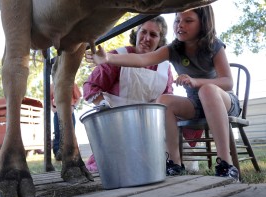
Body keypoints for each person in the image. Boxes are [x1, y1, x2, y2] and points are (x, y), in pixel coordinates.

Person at [85, 5, 241, 180]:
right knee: (164, 101)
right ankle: (174, 163)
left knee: (208, 91)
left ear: (203, 23)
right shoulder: (174, 49)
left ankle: (226, 165)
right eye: (177, 20)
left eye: (188, 21)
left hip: (224, 102)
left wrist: (197, 82)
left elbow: (227, 82)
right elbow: (142, 59)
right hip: (196, 105)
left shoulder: (214, 45)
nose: (180, 25)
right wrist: (108, 58)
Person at [83, 16, 174, 173]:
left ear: (160, 40)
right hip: (117, 128)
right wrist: (106, 110)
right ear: (136, 33)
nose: (146, 38)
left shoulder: (165, 68)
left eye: (153, 35)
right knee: (119, 167)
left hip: (150, 131)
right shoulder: (118, 56)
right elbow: (91, 86)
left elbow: (168, 101)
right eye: (143, 32)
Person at [50, 82, 82, 161]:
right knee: (57, 131)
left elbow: (78, 98)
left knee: (71, 132)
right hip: (58, 111)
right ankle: (58, 153)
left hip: (69, 111)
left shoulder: (72, 83)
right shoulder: (52, 85)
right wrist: (52, 108)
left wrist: (73, 106)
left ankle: (72, 153)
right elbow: (49, 98)